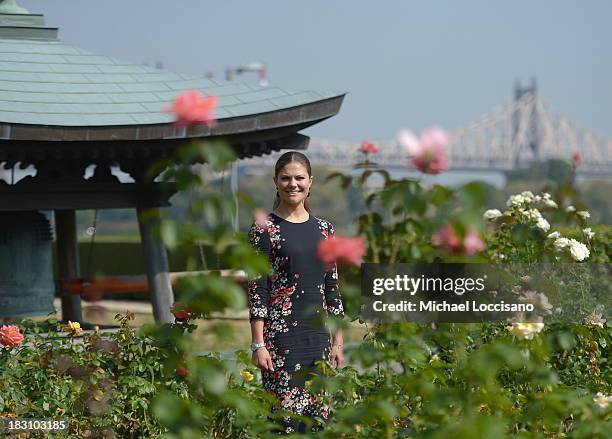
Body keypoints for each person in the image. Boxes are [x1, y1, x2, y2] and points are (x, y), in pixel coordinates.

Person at [247, 151, 345, 434]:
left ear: (310, 181)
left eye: (299, 178)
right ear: (275, 182)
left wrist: (338, 343)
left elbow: (332, 288)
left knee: (318, 419)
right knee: (285, 420)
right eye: (286, 178)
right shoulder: (264, 229)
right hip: (281, 340)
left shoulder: (325, 230)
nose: (293, 184)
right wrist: (258, 344)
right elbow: (257, 289)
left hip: (318, 339)